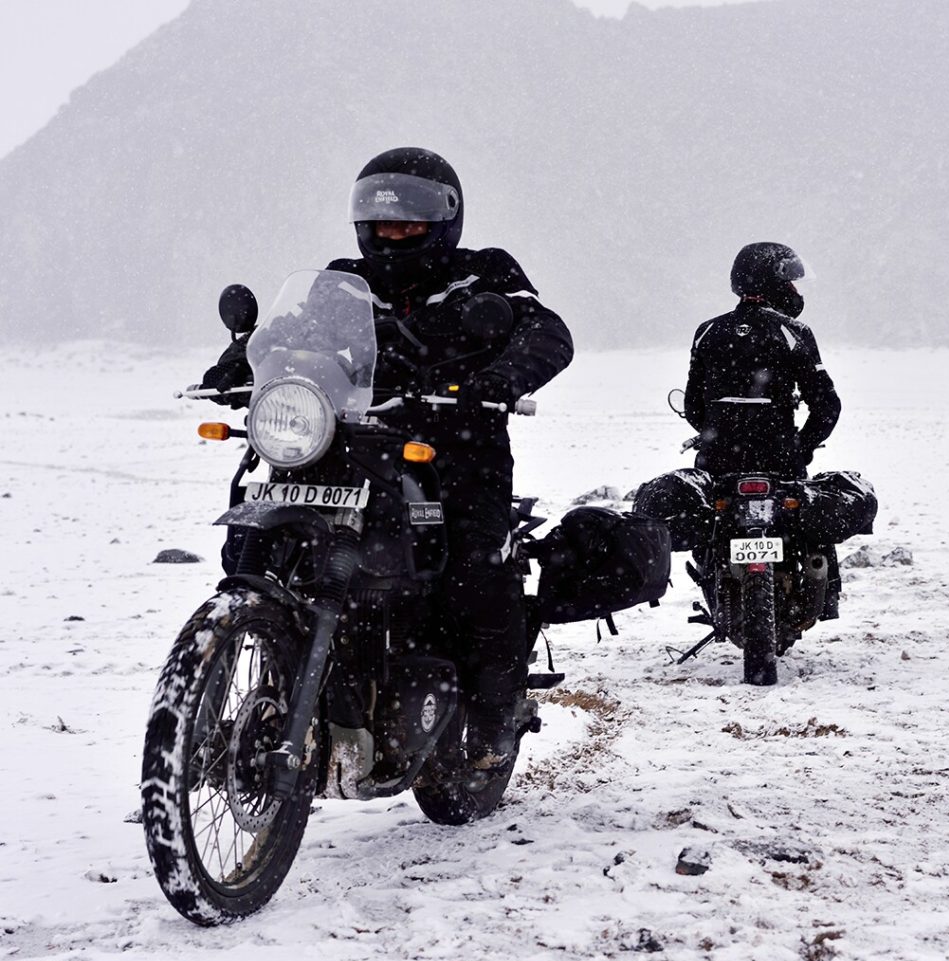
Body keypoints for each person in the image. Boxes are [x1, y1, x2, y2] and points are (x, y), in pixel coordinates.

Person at [201, 147, 573, 769]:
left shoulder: (484, 274)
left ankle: (491, 718)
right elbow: (290, 333)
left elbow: (547, 332)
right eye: (381, 223)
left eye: (408, 223)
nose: (392, 234)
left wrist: (501, 379)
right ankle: (251, 681)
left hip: (454, 450)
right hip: (340, 448)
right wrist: (238, 363)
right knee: (251, 548)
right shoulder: (341, 282)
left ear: (445, 220)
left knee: (475, 570)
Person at [633, 242, 876, 617]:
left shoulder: (708, 332)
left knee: (711, 528)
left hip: (719, 461)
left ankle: (716, 584)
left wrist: (719, 430)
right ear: (774, 281)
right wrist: (802, 445)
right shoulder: (793, 332)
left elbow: (694, 406)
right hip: (779, 460)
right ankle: (822, 599)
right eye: (792, 282)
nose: (797, 291)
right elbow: (827, 405)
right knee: (808, 531)